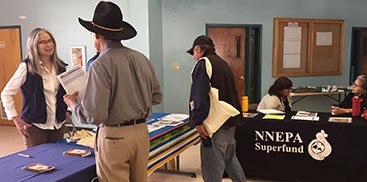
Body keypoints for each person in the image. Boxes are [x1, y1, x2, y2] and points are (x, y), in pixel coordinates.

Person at [63, 1, 162, 182]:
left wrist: (73, 104)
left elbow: (95, 115)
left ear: (97, 34)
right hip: (141, 133)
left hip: (115, 137)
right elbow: (157, 96)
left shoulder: (100, 64)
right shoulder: (142, 59)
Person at [187, 35, 246, 182]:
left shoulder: (203, 64)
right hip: (229, 121)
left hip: (214, 125)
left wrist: (198, 122)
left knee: (211, 168)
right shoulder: (223, 64)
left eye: (193, 53)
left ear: (198, 49)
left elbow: (199, 96)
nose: (194, 57)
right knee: (230, 159)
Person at [1, 28, 69, 148]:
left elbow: (70, 91)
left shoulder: (60, 67)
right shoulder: (26, 67)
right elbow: (6, 93)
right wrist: (15, 119)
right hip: (35, 126)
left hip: (58, 124)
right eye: (43, 42)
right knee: (38, 163)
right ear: (33, 45)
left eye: (50, 41)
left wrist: (68, 111)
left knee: (58, 162)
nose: (48, 45)